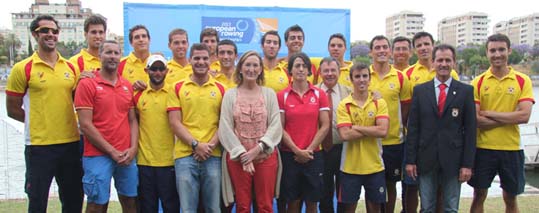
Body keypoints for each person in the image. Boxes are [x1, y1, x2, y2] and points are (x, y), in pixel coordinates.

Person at [6, 14, 83, 212]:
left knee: (73, 200)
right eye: (44, 31)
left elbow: (79, 103)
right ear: (34, 34)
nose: (50, 34)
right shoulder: (22, 68)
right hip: (39, 147)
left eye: (54, 31)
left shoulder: (71, 68)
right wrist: (38, 122)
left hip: (70, 144)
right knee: (38, 201)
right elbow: (12, 109)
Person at [405, 44, 476, 213]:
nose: (443, 64)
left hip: (453, 159)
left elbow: (470, 130)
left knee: (451, 208)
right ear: (433, 63)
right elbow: (413, 128)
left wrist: (467, 164)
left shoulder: (465, 91)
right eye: (440, 60)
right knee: (427, 207)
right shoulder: (420, 91)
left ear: (454, 63)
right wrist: (410, 160)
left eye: (448, 60)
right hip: (425, 158)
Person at [468, 33, 535, 213]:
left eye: (501, 50)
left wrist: (490, 113)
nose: (497, 54)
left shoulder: (522, 80)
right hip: (483, 148)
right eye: (493, 50)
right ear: (487, 53)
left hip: (511, 148)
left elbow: (524, 117)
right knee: (479, 196)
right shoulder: (478, 82)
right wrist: (509, 117)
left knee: (510, 198)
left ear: (509, 51)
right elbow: (476, 120)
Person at [75, 40, 139, 213]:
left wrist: (133, 148)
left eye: (116, 53)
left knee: (131, 202)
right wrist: (111, 151)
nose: (112, 56)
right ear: (100, 56)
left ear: (120, 57)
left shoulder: (126, 85)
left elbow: (132, 120)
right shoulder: (87, 84)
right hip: (97, 155)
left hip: (126, 154)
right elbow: (85, 125)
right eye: (108, 52)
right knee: (97, 204)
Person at [219, 50, 282, 213]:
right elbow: (225, 127)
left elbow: (276, 125)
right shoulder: (230, 95)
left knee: (265, 206)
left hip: (265, 156)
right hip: (238, 159)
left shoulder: (269, 94)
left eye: (255, 65)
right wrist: (243, 155)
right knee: (243, 206)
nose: (251, 69)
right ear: (240, 68)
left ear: (260, 69)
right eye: (247, 65)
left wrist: (257, 149)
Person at [403, 31, 459, 213]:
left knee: (441, 189)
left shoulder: (452, 74)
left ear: (433, 45)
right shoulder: (408, 74)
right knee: (412, 187)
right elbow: (407, 110)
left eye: (426, 44)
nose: (423, 48)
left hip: (445, 144)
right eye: (418, 45)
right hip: (420, 141)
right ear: (414, 50)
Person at [167, 43, 225, 213]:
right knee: (187, 210)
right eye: (197, 58)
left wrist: (210, 146)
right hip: (185, 156)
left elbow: (225, 123)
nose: (201, 62)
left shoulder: (221, 88)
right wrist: (196, 145)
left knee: (213, 208)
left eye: (205, 58)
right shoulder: (177, 87)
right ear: (190, 60)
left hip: (213, 155)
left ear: (211, 61)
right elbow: (175, 123)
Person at [277, 52, 330, 213]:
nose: (301, 69)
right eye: (297, 66)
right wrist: (297, 151)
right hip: (290, 155)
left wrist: (308, 151)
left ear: (309, 71)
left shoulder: (319, 94)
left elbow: (325, 125)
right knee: (292, 201)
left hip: (313, 155)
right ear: (290, 71)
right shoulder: (282, 96)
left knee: (312, 202)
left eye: (304, 66)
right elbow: (280, 128)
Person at [336, 63, 389, 213]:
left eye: (365, 76)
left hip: (375, 165)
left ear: (369, 78)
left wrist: (357, 127)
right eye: (357, 76)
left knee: (375, 209)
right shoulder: (344, 105)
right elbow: (345, 134)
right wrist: (373, 129)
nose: (361, 80)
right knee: (349, 209)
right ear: (351, 79)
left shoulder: (379, 102)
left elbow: (383, 130)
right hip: (350, 167)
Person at [368, 35, 412, 213]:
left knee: (390, 185)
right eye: (377, 47)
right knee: (371, 187)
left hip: (393, 142)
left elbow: (406, 109)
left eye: (384, 47)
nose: (381, 51)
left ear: (390, 51)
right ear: (371, 52)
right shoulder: (363, 75)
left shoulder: (401, 78)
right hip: (369, 142)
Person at [134, 54, 180, 212]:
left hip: (169, 162)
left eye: (161, 69)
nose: (158, 72)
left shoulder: (174, 93)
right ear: (147, 70)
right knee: (147, 207)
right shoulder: (138, 94)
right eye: (154, 69)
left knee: (171, 206)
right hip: (144, 162)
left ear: (167, 71)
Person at [316, 57, 352, 213]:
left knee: (343, 191)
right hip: (320, 149)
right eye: (326, 70)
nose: (329, 74)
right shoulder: (313, 91)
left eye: (333, 70)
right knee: (324, 191)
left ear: (339, 72)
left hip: (343, 148)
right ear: (320, 72)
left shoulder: (349, 92)